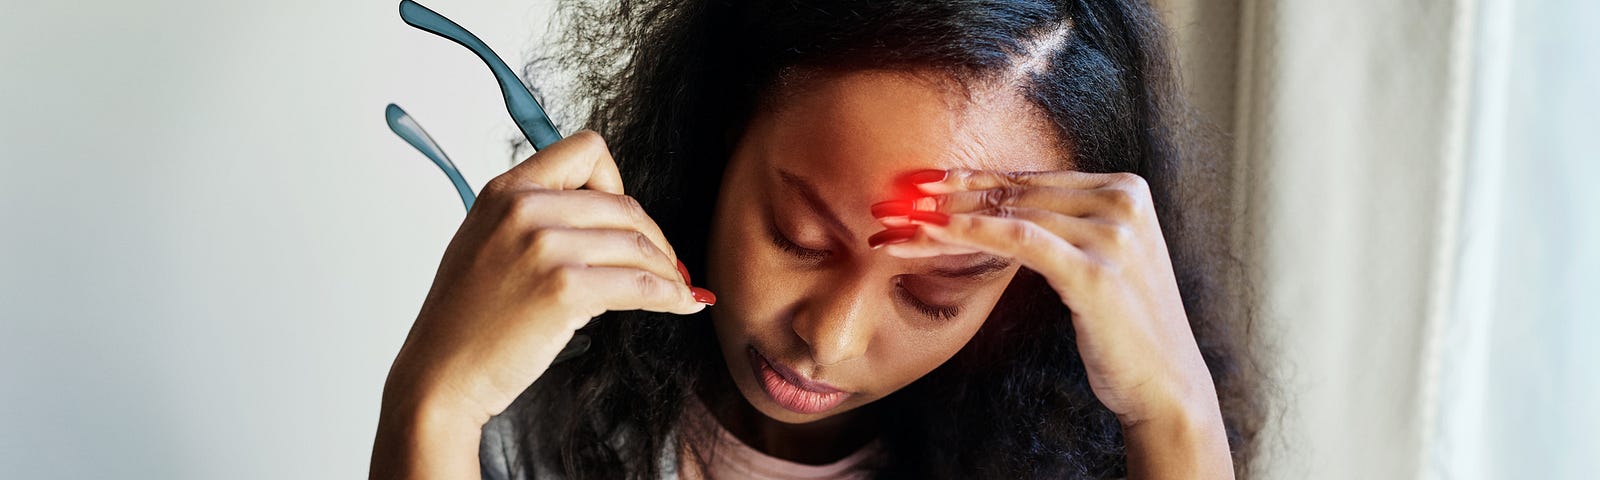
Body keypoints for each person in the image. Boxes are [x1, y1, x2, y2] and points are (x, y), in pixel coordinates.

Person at [371, 0, 1264, 478]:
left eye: (934, 293)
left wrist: (1170, 414)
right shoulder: (540, 429)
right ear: (721, 128)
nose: (827, 340)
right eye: (799, 236)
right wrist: (433, 405)